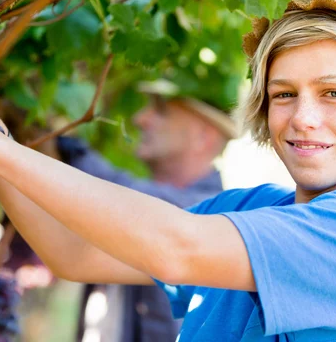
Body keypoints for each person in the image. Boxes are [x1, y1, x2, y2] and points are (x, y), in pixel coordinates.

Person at [0, 0, 336, 341]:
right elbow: (71, 251)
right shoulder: (247, 210)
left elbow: (176, 248)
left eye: (334, 93)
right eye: (285, 94)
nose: (303, 116)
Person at [55, 80, 236, 342]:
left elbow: (131, 200)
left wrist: (69, 150)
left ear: (202, 136)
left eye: (161, 111)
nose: (141, 119)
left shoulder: (208, 215)